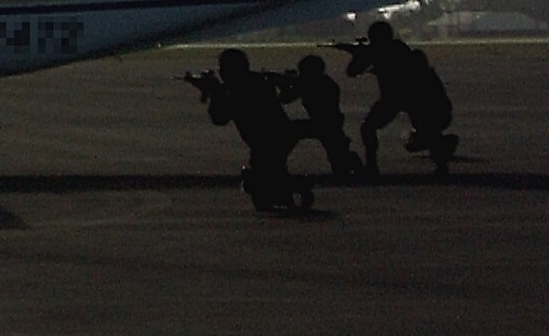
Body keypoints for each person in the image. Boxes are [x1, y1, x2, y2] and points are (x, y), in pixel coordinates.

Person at [188, 48, 310, 211]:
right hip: (277, 136)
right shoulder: (254, 81)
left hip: (270, 138)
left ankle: (294, 188)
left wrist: (214, 94)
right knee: (271, 169)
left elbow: (220, 118)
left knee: (261, 176)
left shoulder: (238, 89)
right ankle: (285, 191)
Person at [339, 19, 457, 177]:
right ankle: (441, 165)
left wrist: (358, 56)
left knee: (370, 128)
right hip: (408, 97)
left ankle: (372, 166)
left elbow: (352, 72)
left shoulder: (380, 51)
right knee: (427, 132)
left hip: (399, 97)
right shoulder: (398, 48)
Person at [276, 53, 363, 178]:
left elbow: (285, 98)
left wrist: (284, 84)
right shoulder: (325, 82)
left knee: (340, 163)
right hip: (329, 124)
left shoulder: (315, 84)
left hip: (326, 125)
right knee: (339, 160)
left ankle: (277, 164)